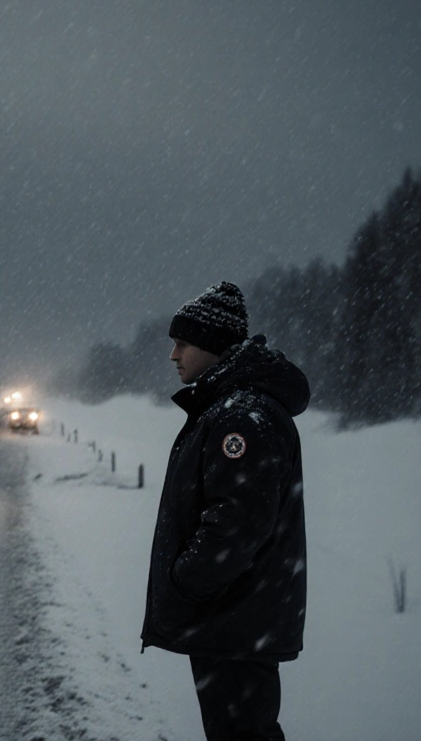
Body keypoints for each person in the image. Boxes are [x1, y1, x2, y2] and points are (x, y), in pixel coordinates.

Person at [140, 281, 309, 740]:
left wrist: (183, 582)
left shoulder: (242, 415)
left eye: (182, 344)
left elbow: (236, 525)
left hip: (235, 619)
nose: (173, 355)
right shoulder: (230, 406)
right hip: (232, 618)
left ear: (213, 347)